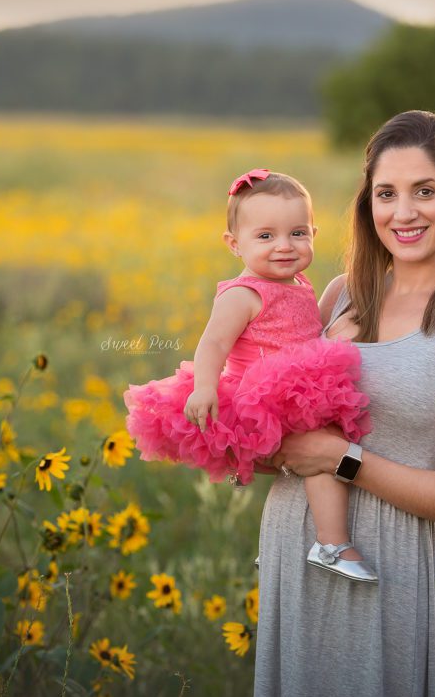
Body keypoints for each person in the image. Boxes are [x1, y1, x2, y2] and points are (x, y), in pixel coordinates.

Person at [252, 110, 435, 697]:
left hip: (384, 564)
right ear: (366, 203)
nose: (404, 213)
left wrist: (339, 458)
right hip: (292, 547)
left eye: (426, 191)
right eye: (386, 193)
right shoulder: (342, 295)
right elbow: (293, 417)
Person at [123, 169, 379, 582]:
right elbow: (212, 345)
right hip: (258, 398)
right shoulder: (243, 293)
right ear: (234, 244)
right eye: (265, 237)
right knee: (325, 455)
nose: (284, 246)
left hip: (292, 390)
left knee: (318, 458)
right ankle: (331, 544)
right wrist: (205, 387)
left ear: (313, 232)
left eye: (298, 233)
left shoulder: (299, 282)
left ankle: (288, 547)